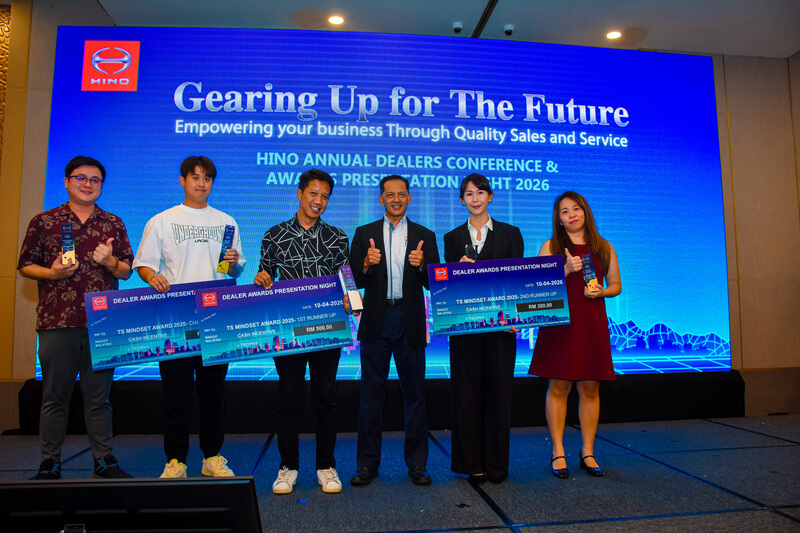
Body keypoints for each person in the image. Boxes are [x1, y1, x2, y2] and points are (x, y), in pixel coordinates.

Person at [18, 155, 134, 480]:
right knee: (55, 396)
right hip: (57, 321)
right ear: (67, 182)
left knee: (99, 399)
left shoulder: (112, 223)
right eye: (80, 178)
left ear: (101, 186)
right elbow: (25, 265)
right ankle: (49, 462)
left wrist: (110, 262)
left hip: (103, 323)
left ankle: (103, 459)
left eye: (95, 180)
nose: (87, 184)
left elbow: (126, 270)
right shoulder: (44, 221)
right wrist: (52, 273)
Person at [133, 156, 245, 478]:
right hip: (175, 317)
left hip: (215, 316)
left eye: (207, 178)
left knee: (213, 394)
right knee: (176, 394)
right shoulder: (162, 221)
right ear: (182, 180)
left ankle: (212, 457)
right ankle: (175, 460)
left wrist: (234, 263)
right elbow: (144, 264)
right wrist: (151, 276)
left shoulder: (226, 221)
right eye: (195, 177)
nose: (201, 184)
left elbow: (234, 270)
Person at [254, 169, 350, 495]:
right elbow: (264, 276)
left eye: (324, 196)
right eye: (313, 193)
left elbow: (347, 279)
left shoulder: (337, 237)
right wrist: (262, 279)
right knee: (289, 400)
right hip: (288, 329)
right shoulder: (274, 235)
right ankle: (288, 467)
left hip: (327, 327)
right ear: (299, 193)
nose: (318, 201)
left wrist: (351, 299)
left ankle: (326, 466)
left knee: (325, 399)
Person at [348, 175, 440, 487]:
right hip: (376, 320)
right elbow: (353, 280)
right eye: (390, 195)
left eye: (401, 194)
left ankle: (418, 464)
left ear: (409, 198)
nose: (396, 199)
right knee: (370, 397)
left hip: (409, 319)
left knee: (415, 395)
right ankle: (366, 464)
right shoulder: (364, 233)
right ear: (381, 199)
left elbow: (434, 283)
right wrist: (365, 263)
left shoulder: (425, 235)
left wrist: (422, 265)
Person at [529, 191, 621, 478]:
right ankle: (558, 451)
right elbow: (539, 286)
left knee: (590, 388)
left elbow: (616, 285)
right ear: (558, 219)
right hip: (560, 323)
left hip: (591, 321)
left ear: (585, 212)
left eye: (576, 209)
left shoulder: (604, 246)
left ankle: (588, 452)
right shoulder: (551, 246)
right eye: (564, 211)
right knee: (559, 386)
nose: (571, 215)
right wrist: (566, 269)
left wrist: (601, 292)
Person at [443, 174, 524, 485]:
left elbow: (517, 279)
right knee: (466, 396)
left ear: (490, 196)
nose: (474, 198)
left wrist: (516, 317)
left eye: (480, 192)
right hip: (465, 329)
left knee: (499, 396)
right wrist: (457, 273)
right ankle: (473, 464)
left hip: (501, 330)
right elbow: (447, 287)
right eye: (468, 194)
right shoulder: (452, 238)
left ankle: (497, 466)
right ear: (461, 200)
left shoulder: (510, 234)